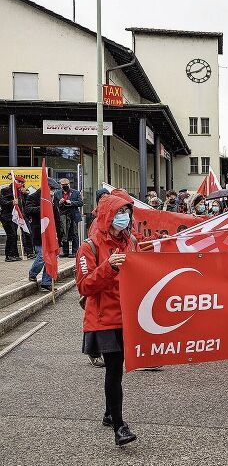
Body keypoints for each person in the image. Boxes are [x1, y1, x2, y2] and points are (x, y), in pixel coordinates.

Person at [76, 190, 138, 446]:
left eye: (126, 211)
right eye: (119, 212)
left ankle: (109, 412)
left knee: (119, 370)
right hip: (104, 320)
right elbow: (84, 286)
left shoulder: (131, 241)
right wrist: (109, 266)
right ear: (107, 215)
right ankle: (119, 426)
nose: (123, 216)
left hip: (127, 317)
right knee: (114, 370)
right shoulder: (88, 246)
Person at [24, 178, 59, 292]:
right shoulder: (33, 196)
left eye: (54, 189)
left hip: (51, 233)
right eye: (51, 189)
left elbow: (57, 216)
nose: (52, 191)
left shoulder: (54, 198)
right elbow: (28, 210)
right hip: (39, 232)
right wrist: (43, 208)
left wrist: (60, 232)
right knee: (42, 256)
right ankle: (33, 272)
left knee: (51, 257)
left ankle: (47, 282)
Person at [1, 176, 34, 261]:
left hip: (18, 216)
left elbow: (26, 203)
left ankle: (15, 254)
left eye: (23, 183)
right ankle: (9, 255)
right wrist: (11, 202)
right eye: (21, 183)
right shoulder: (6, 190)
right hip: (8, 216)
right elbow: (2, 202)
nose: (22, 185)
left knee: (19, 234)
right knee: (12, 235)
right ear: (16, 182)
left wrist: (26, 193)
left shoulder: (21, 192)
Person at [54, 178, 83, 257]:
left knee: (74, 233)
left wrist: (71, 202)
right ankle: (65, 251)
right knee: (64, 233)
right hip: (63, 215)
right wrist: (59, 203)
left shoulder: (76, 192)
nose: (65, 186)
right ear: (60, 185)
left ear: (69, 184)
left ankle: (75, 251)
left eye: (66, 185)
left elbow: (80, 203)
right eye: (63, 185)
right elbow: (55, 205)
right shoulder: (57, 193)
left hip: (73, 215)